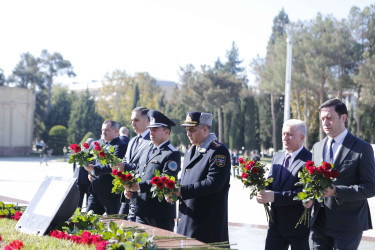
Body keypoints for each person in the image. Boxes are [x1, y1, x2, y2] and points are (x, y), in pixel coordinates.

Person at [304, 98, 375, 250]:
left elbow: (370, 187)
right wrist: (308, 196)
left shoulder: (362, 148)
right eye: (322, 119)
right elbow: (312, 181)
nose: (325, 123)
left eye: (329, 118)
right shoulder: (317, 147)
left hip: (348, 225)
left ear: (343, 118)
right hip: (319, 223)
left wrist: (337, 191)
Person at [166, 111, 231, 244]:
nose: (188, 134)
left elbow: (214, 183)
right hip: (187, 220)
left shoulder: (218, 151)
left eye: (192, 130)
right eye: (187, 130)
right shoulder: (192, 150)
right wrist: (174, 190)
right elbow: (185, 178)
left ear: (205, 129)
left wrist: (181, 191)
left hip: (206, 225)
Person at [257, 119, 311, 250]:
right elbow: (270, 182)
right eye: (283, 134)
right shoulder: (278, 157)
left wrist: (275, 196)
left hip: (298, 226)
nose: (285, 138)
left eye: (290, 135)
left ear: (302, 138)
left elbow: (303, 194)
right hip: (275, 224)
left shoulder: (310, 160)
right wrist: (260, 189)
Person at [124, 110, 180, 231]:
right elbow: (139, 171)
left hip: (159, 214)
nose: (151, 133)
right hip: (141, 210)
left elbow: (164, 180)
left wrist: (138, 186)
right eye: (150, 129)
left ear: (167, 132)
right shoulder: (147, 148)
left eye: (155, 129)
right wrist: (130, 189)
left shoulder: (172, 153)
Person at [84, 120, 127, 215]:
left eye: (107, 129)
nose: (103, 132)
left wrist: (95, 169)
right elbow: (93, 161)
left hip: (110, 194)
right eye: (102, 129)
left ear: (116, 131)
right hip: (95, 191)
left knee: (114, 222)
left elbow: (114, 166)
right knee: (88, 220)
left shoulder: (120, 145)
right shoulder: (100, 144)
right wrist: (90, 173)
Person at [116, 107, 151, 220]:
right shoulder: (132, 141)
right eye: (132, 120)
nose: (132, 123)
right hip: (128, 194)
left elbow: (146, 167)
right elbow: (126, 161)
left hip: (141, 195)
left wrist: (124, 166)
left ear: (147, 121)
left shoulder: (151, 141)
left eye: (136, 120)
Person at [74, 138, 95, 209]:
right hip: (87, 180)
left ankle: (77, 215)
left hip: (78, 179)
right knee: (89, 202)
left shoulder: (78, 152)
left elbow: (74, 166)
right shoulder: (91, 153)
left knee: (78, 201)